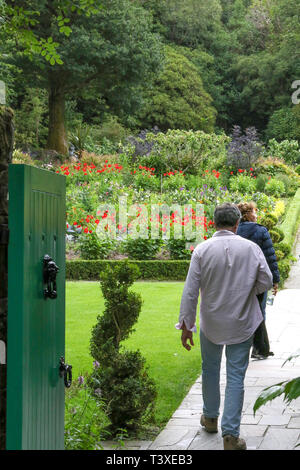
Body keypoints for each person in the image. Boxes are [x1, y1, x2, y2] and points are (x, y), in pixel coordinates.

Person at [176, 203, 273, 450]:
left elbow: (190, 292)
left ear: (214, 223)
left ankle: (210, 418)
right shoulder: (251, 249)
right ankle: (230, 435)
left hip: (211, 321)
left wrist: (186, 325)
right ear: (237, 224)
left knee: (209, 369)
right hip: (242, 320)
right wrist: (247, 291)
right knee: (236, 375)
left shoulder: (202, 250)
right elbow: (266, 280)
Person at [237, 202, 280, 359]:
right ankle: (260, 349)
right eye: (255, 212)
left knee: (243, 312)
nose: (257, 214)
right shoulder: (261, 230)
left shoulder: (234, 231)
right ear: (248, 214)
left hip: (238, 279)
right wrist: (275, 280)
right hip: (258, 279)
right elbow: (270, 258)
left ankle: (254, 347)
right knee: (259, 312)